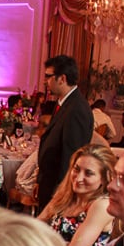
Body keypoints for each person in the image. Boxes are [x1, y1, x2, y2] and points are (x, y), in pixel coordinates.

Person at [37, 55, 94, 212]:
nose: (45, 81)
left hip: (58, 188)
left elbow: (72, 154)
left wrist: (61, 192)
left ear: (62, 78)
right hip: (49, 182)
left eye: (48, 76)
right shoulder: (65, 102)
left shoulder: (77, 109)